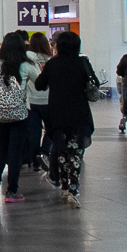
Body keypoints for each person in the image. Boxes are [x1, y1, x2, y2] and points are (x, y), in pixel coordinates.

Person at [34, 30, 95, 208]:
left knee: (62, 151)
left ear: (58, 46)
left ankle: (64, 187)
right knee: (76, 152)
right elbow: (95, 83)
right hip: (79, 114)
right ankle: (74, 189)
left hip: (58, 114)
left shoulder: (53, 64)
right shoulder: (83, 62)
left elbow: (39, 85)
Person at [0, 31, 37, 202]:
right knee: (15, 152)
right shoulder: (26, 65)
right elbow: (40, 83)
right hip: (19, 114)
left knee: (1, 149)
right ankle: (12, 191)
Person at [24, 31, 53, 170]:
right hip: (49, 100)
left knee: (34, 132)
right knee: (52, 129)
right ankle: (44, 151)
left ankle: (34, 161)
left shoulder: (27, 58)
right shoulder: (51, 59)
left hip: (32, 101)